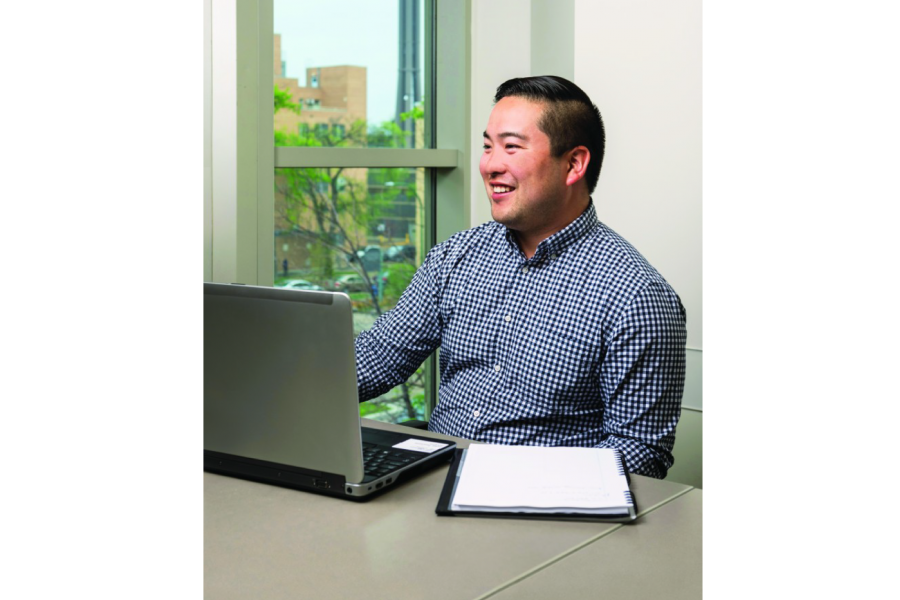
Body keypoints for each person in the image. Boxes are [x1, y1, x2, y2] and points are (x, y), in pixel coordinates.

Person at [355, 76, 686, 478]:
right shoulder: (456, 256)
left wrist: (521, 485)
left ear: (574, 164)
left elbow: (640, 453)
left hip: (546, 514)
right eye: (487, 145)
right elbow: (379, 357)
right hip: (432, 484)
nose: (490, 165)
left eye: (511, 146)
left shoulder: (637, 295)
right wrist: (279, 381)